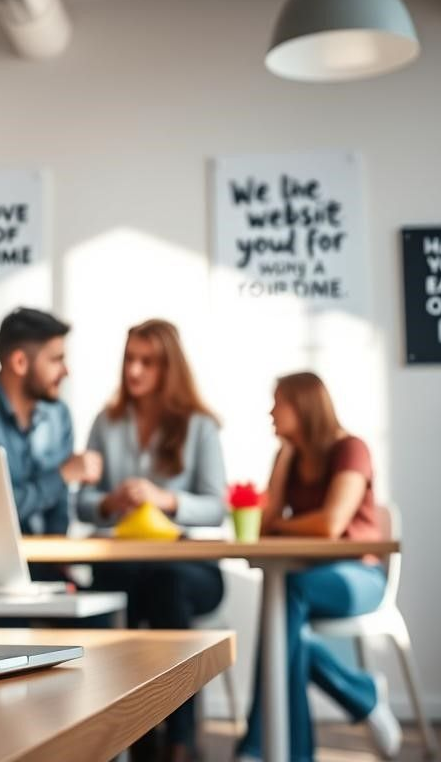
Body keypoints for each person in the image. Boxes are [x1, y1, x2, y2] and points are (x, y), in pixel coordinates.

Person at [76, 319, 226, 762]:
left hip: (189, 566)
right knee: (109, 588)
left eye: (147, 362)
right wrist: (109, 503)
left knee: (168, 585)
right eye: (129, 360)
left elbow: (217, 507)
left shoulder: (200, 426)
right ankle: (118, 730)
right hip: (125, 562)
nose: (134, 371)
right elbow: (82, 504)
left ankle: (173, 735)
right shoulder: (107, 422)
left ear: (168, 367)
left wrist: (167, 500)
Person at [237, 372, 401, 762]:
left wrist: (279, 525)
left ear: (303, 405)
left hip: (360, 576)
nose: (270, 411)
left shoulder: (351, 449)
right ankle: (360, 694)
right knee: (286, 627)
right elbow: (265, 523)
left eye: (279, 402)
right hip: (309, 577)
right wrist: (284, 457)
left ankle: (263, 748)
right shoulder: (290, 456)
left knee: (285, 601)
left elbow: (331, 524)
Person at [0, 308, 101, 579]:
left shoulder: (58, 415)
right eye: (56, 360)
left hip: (42, 561)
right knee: (13, 620)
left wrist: (57, 559)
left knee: (99, 616)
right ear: (19, 362)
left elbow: (59, 508)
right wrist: (61, 476)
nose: (65, 371)